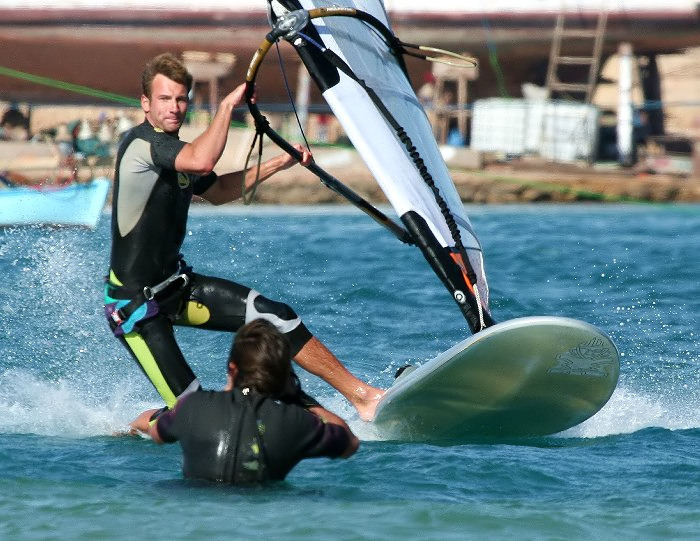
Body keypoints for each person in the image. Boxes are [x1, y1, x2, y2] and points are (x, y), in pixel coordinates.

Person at [104, 52, 383, 423]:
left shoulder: (175, 152)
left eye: (181, 98)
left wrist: (276, 164)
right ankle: (144, 423)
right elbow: (202, 161)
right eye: (164, 99)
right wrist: (225, 108)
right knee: (196, 417)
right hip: (136, 308)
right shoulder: (142, 145)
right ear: (145, 103)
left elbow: (217, 190)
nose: (174, 107)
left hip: (176, 288)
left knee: (276, 317)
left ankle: (362, 398)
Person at [133, 319, 359, 484]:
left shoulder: (192, 407)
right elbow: (350, 445)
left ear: (232, 367)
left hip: (193, 511)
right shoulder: (297, 423)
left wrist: (131, 427)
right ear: (283, 379)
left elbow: (155, 432)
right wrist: (300, 399)